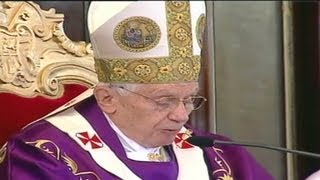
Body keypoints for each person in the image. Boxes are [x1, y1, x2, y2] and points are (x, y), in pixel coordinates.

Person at [0, 1, 274, 179]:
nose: (181, 116)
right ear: (107, 98)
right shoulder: (45, 155)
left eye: (189, 99)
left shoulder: (218, 153)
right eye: (164, 101)